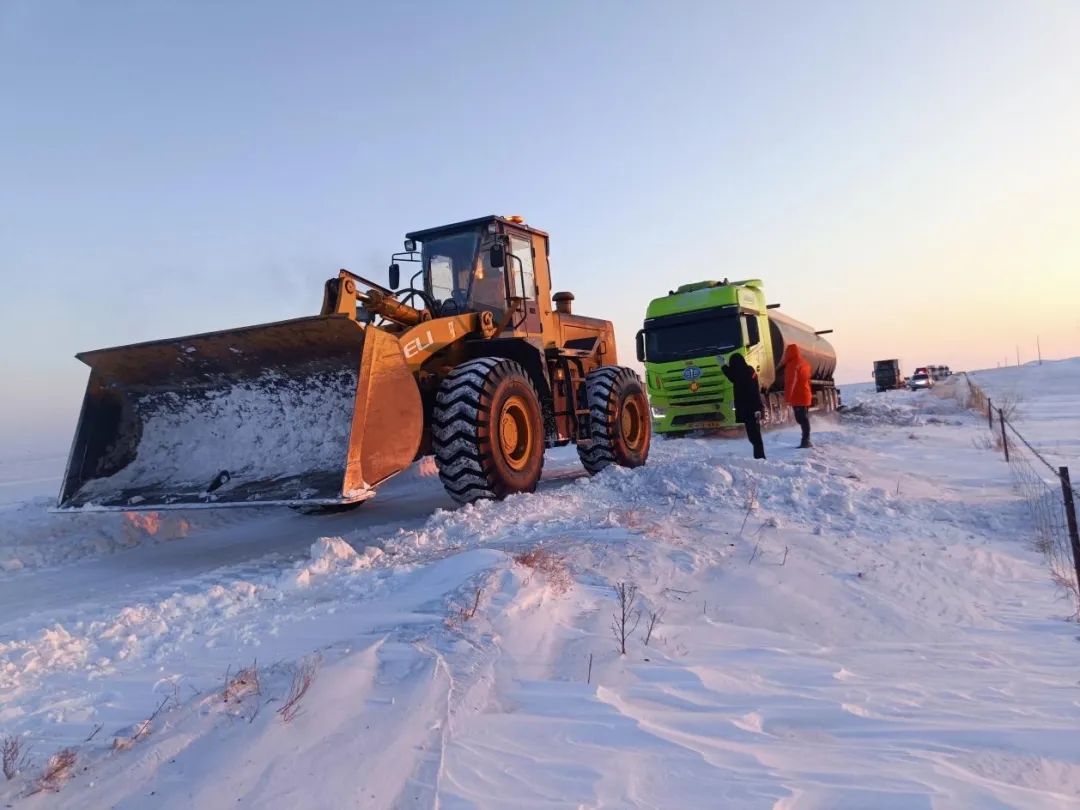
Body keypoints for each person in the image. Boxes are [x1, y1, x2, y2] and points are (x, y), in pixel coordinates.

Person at [721, 352, 766, 459]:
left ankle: (760, 458)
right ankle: (759, 457)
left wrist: (757, 409)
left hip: (751, 409)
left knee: (755, 436)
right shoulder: (744, 372)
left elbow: (754, 392)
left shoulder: (747, 372)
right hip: (747, 409)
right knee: (753, 436)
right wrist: (723, 366)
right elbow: (733, 377)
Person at [779, 344, 813, 448]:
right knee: (803, 418)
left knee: (801, 419)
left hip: (798, 396)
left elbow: (790, 383)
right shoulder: (805, 363)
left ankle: (806, 441)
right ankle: (806, 440)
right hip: (806, 394)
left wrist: (787, 399)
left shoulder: (792, 365)